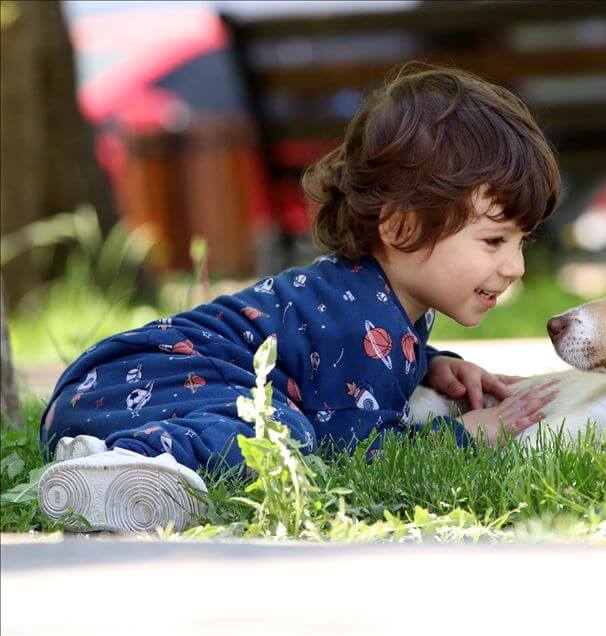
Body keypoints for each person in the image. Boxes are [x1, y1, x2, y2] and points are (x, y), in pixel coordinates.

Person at [37, 64, 560, 533]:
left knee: (278, 426)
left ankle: (116, 465)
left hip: (115, 386)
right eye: (494, 241)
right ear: (401, 228)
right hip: (138, 383)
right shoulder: (360, 326)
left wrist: (429, 362)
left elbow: (331, 373)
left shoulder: (374, 302)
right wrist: (467, 436)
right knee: (284, 436)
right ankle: (123, 461)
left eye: (520, 241)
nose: (514, 267)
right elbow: (361, 457)